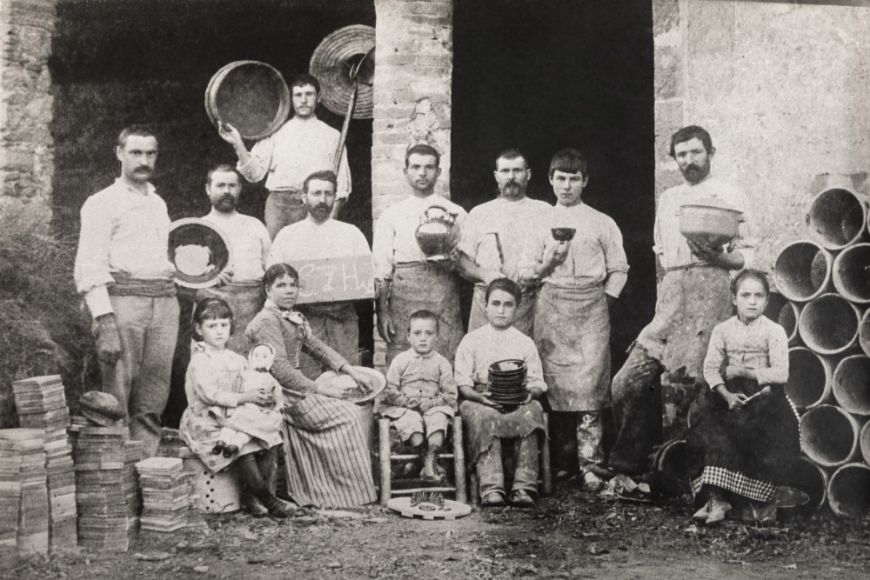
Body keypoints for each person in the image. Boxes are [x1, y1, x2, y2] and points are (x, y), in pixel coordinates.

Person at [609, 125, 756, 477]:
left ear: (711, 152)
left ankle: (687, 473)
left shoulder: (731, 195)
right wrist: (676, 284)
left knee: (694, 386)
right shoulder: (670, 198)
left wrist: (718, 258)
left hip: (713, 290)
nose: (689, 160)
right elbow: (663, 252)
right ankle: (628, 465)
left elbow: (747, 255)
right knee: (627, 382)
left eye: (696, 152)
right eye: (682, 155)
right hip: (673, 295)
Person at [74, 125, 179, 457]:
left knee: (153, 397)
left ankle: (144, 474)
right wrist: (104, 321)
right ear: (119, 153)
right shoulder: (101, 202)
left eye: (150, 153)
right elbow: (90, 264)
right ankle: (113, 476)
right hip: (123, 303)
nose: (144, 160)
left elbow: (160, 259)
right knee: (117, 395)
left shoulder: (159, 202)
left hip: (164, 304)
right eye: (136, 152)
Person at [526, 149, 629, 491]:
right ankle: (560, 463)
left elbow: (619, 269)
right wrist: (548, 266)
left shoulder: (602, 222)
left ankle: (591, 466)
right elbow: (527, 272)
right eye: (560, 178)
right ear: (550, 180)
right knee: (553, 386)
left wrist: (603, 302)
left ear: (585, 181)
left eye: (573, 179)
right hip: (552, 303)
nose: (566, 185)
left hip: (591, 306)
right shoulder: (539, 221)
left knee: (590, 386)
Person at [246, 263, 377, 508]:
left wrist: (350, 370)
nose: (289, 291)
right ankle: (337, 493)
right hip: (279, 394)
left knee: (352, 403)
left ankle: (338, 489)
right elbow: (281, 370)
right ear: (267, 290)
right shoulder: (267, 321)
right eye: (281, 285)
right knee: (349, 414)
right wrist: (321, 389)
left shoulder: (291, 316)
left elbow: (317, 347)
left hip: (295, 389)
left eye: (293, 285)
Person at [685, 270, 799, 526]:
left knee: (748, 426)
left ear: (767, 301)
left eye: (759, 295)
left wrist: (745, 372)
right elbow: (711, 368)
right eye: (745, 295)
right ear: (734, 299)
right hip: (729, 393)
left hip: (765, 396)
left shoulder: (774, 330)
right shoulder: (723, 330)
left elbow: (781, 373)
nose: (752, 301)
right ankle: (716, 499)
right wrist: (725, 395)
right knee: (705, 424)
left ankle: (744, 500)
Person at [179, 297, 290, 518]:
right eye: (211, 326)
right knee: (241, 447)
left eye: (224, 325)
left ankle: (255, 495)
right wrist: (245, 397)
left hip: (236, 414)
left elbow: (250, 384)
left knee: (269, 437)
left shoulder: (237, 359)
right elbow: (210, 395)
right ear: (199, 329)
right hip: (206, 417)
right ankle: (268, 500)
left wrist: (263, 395)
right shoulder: (201, 360)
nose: (219, 331)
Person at [219, 73, 352, 239]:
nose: (303, 100)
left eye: (309, 94)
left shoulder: (332, 136)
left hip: (315, 204)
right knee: (279, 260)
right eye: (298, 95)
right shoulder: (276, 132)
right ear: (291, 98)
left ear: (318, 97)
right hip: (279, 207)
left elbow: (342, 185)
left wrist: (331, 220)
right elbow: (254, 174)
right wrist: (237, 143)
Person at [267, 170, 371, 376]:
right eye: (316, 193)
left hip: (342, 320)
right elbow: (273, 279)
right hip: (302, 321)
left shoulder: (351, 234)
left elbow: (364, 278)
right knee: (307, 377)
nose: (322, 200)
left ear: (335, 197)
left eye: (328, 194)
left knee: (346, 376)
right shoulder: (287, 235)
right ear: (304, 197)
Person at [455, 278, 548, 507]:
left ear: (517, 308)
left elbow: (537, 382)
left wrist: (530, 394)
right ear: (485, 306)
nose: (501, 310)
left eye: (508, 305)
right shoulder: (471, 340)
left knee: (533, 411)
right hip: (480, 399)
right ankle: (491, 488)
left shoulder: (524, 342)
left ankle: (523, 487)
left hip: (516, 399)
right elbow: (463, 385)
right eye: (495, 303)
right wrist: (480, 398)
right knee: (485, 417)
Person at [372, 144, 467, 366]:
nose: (422, 173)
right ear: (405, 172)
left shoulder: (456, 212)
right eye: (415, 167)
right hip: (405, 290)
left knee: (446, 349)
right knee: (402, 352)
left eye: (429, 167)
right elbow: (382, 271)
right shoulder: (391, 215)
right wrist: (383, 313)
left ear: (439, 172)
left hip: (443, 287)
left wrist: (453, 262)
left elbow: (466, 262)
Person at [456, 149, 551, 336]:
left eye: (517, 170)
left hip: (528, 303)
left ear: (528, 174)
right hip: (487, 302)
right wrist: (485, 274)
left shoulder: (544, 211)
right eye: (505, 171)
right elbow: (462, 262)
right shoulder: (479, 213)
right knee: (482, 360)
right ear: (496, 176)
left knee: (524, 360)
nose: (511, 176)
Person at [378, 310, 458, 481]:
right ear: (408, 336)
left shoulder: (442, 363)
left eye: (429, 333)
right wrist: (405, 402)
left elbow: (450, 394)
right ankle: (428, 464)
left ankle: (429, 460)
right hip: (406, 409)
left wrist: (432, 403)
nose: (423, 338)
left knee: (438, 419)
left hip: (433, 407)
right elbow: (389, 390)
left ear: (437, 336)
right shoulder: (400, 360)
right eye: (417, 333)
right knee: (411, 422)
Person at [199, 164, 271, 354]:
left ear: (239, 189)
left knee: (250, 371)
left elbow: (269, 269)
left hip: (252, 306)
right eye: (220, 185)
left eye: (232, 186)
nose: (226, 191)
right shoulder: (197, 228)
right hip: (211, 306)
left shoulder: (255, 225)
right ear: (208, 189)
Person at [212, 344, 284, 458]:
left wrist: (278, 407)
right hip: (244, 406)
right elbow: (236, 387)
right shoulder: (244, 374)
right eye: (256, 355)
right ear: (251, 357)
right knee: (233, 426)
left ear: (270, 360)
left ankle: (235, 444)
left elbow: (278, 395)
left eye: (264, 356)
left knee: (245, 429)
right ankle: (222, 441)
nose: (260, 358)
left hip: (257, 410)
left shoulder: (271, 380)